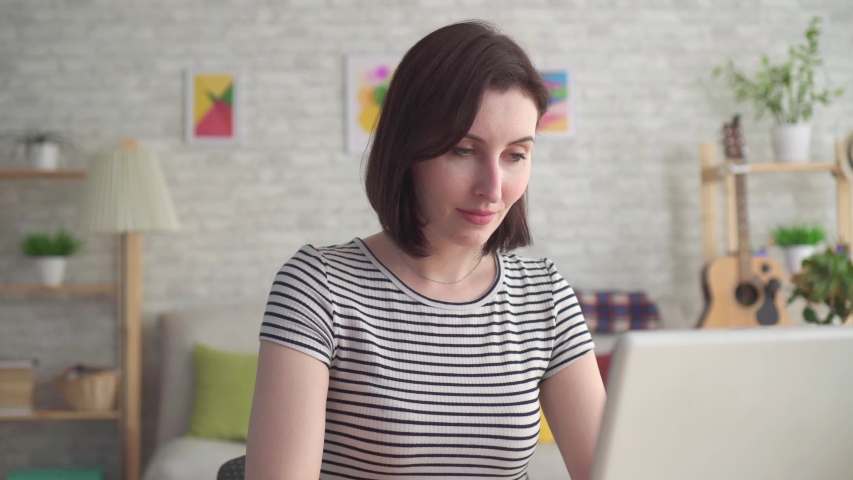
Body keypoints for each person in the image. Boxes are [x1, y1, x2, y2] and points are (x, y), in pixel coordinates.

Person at [245, 20, 606, 480]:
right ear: (407, 151)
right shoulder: (318, 288)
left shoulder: (545, 296)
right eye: (462, 150)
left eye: (515, 154)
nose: (492, 189)